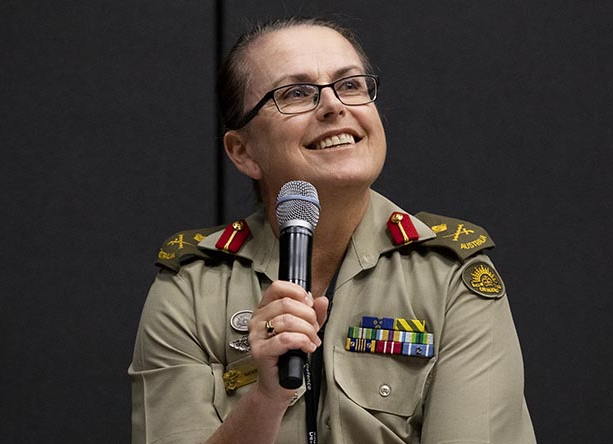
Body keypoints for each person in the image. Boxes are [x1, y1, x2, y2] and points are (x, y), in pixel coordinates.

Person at [129, 17, 536, 444]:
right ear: (243, 151)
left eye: (351, 85)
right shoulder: (190, 289)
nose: (334, 106)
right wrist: (266, 399)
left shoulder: (449, 276)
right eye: (296, 93)